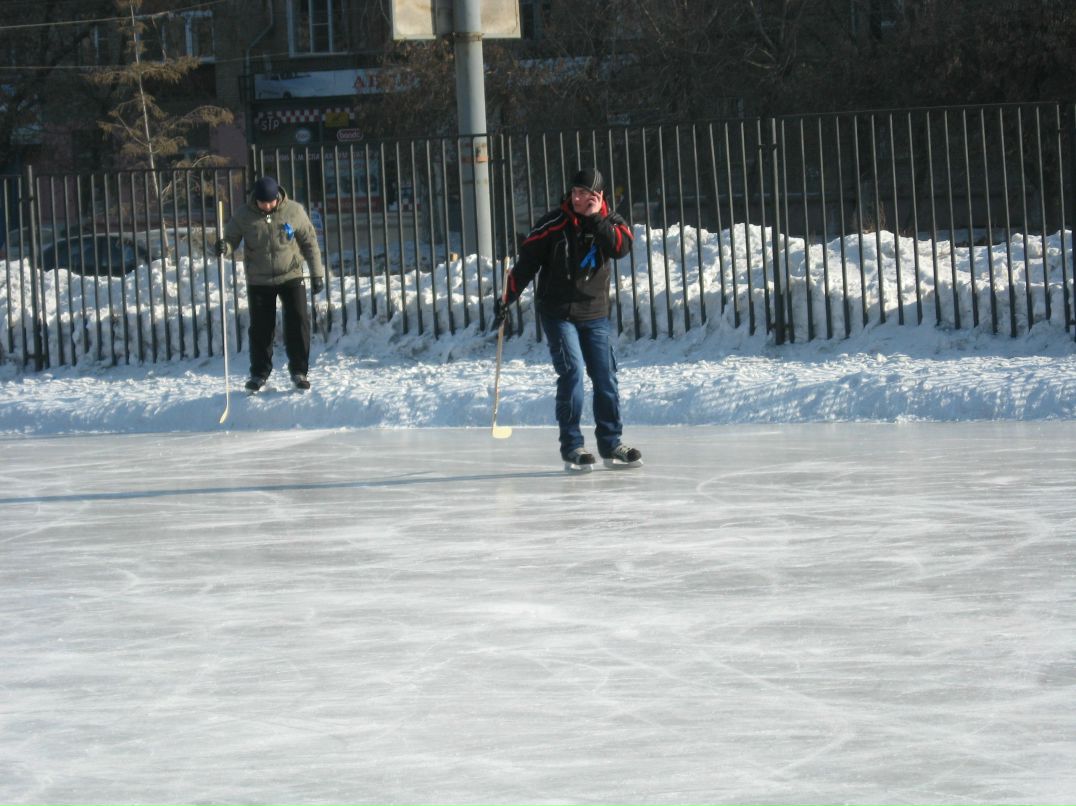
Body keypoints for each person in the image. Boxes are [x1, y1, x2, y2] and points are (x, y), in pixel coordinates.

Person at [493, 167, 642, 472]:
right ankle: (572, 445)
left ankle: (611, 442)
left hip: (595, 313)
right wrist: (506, 297)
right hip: (558, 313)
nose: (576, 198)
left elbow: (620, 248)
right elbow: (526, 264)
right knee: (572, 373)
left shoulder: (613, 223)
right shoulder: (552, 224)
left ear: (597, 197)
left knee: (605, 378)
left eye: (584, 194)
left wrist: (597, 218)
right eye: (574, 192)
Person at [216, 176, 325, 392]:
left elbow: (309, 242)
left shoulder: (293, 212)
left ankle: (299, 370)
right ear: (255, 199)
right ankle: (259, 373)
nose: (267, 206)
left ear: (278, 197)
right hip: (259, 279)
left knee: (299, 321)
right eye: (262, 202)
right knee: (261, 328)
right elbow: (230, 240)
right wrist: (224, 247)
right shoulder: (243, 216)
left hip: (291, 275)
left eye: (271, 201)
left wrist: (316, 273)